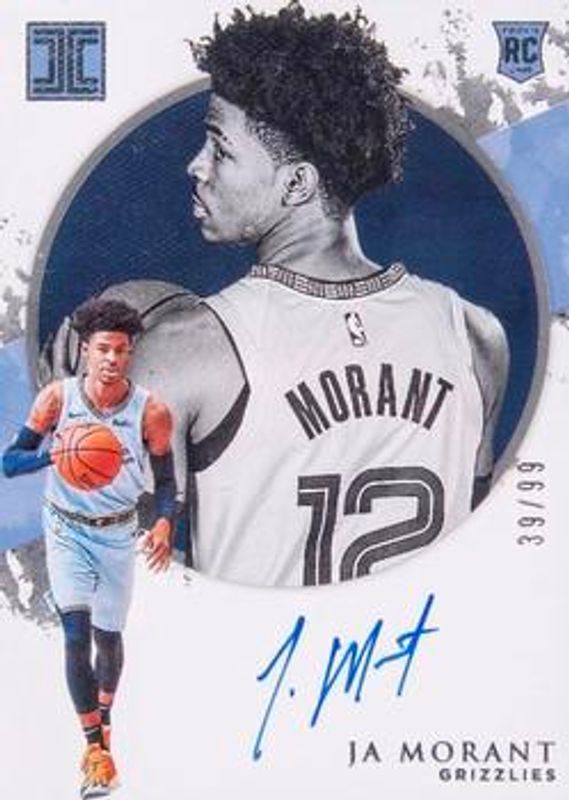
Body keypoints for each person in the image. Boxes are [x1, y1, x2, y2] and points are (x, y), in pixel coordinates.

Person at [42, 2, 509, 588]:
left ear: (296, 184)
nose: (196, 166)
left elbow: (128, 591)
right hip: (417, 644)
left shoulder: (184, 351)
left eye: (220, 148)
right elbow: (477, 554)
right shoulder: (474, 334)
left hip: (258, 651)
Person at [2, 298, 177, 798]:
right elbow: (9, 463)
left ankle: (104, 720)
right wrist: (52, 457)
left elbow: (167, 482)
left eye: (121, 350)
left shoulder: (151, 411)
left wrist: (164, 523)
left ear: (130, 353)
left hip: (117, 532)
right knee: (75, 634)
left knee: (108, 637)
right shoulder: (57, 400)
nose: (112, 359)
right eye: (103, 349)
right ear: (85, 349)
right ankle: (97, 751)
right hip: (66, 528)